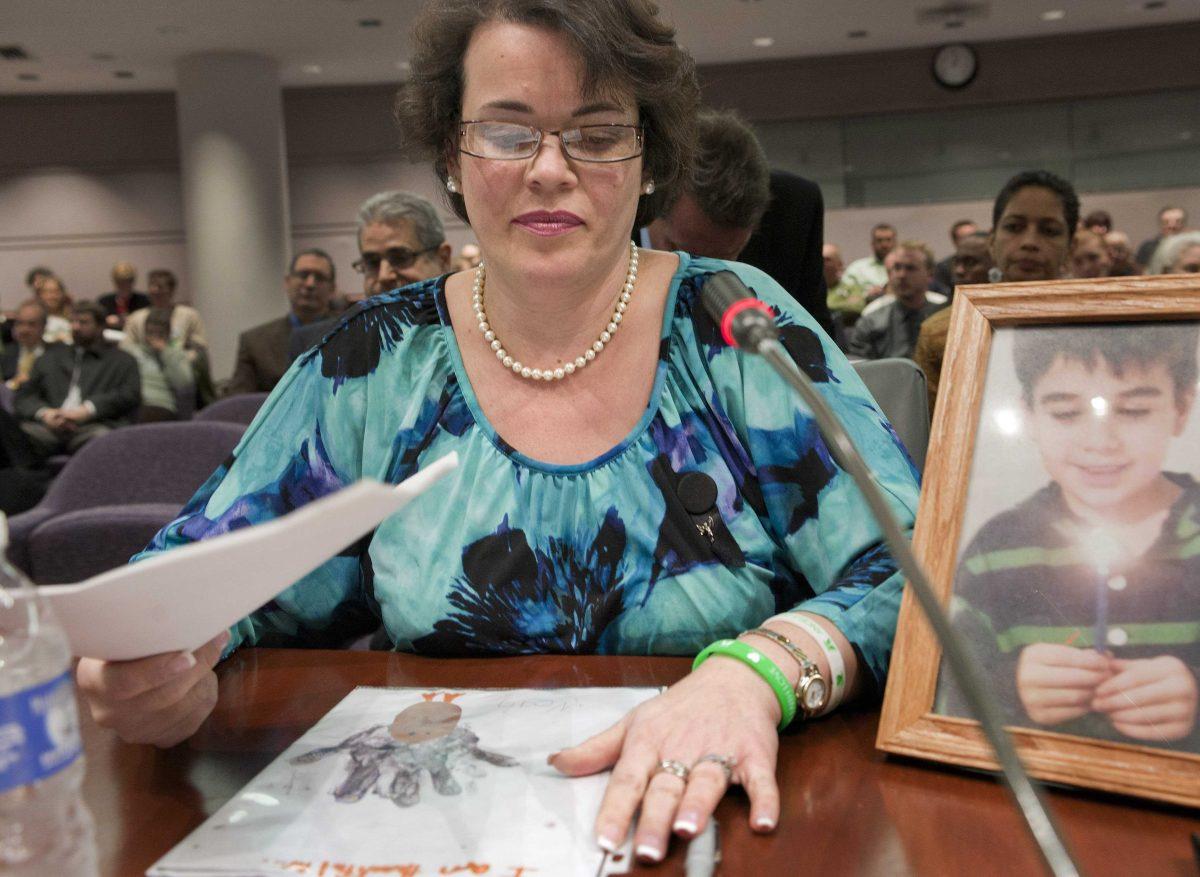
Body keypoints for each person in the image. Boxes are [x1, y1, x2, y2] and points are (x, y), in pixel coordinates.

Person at [75, 0, 920, 865]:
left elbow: (912, 569)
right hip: (427, 830)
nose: (551, 170)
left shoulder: (730, 324)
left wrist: (761, 670)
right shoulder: (379, 359)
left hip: (721, 820)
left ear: (648, 157)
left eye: (595, 134)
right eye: (508, 133)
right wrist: (163, 662)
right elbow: (206, 570)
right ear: (451, 152)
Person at [939, 323, 1200, 751]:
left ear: (1182, 407)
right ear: (1028, 415)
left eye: (1133, 411)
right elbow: (943, 702)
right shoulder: (997, 551)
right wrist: (1009, 689)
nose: (1100, 442)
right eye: (1065, 413)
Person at [642, 110, 833, 334]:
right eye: (683, 254)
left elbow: (817, 343)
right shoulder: (610, 223)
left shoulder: (792, 214)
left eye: (724, 258)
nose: (702, 276)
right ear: (650, 197)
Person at [913, 169, 1080, 411]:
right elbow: (930, 438)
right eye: (1014, 227)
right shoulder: (943, 334)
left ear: (1071, 247)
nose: (1029, 242)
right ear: (992, 241)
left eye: (1049, 231)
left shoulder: (1101, 330)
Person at [290, 191, 452, 359]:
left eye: (400, 257)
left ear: (442, 258)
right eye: (372, 262)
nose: (383, 275)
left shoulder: (472, 333)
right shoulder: (320, 345)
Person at [13, 301, 140, 459]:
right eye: (72, 322)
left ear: (100, 326)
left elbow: (129, 394)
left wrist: (88, 409)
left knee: (103, 438)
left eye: (83, 322)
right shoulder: (51, 356)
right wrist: (45, 413)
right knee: (14, 434)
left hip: (92, 426)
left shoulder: (122, 360)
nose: (76, 327)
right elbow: (24, 396)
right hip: (49, 427)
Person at [224, 249, 338, 395]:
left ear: (333, 289)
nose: (310, 284)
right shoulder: (254, 343)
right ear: (287, 282)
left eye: (320, 277)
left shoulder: (351, 334)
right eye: (303, 275)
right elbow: (238, 405)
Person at [911, 231, 993, 412]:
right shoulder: (934, 327)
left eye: (971, 263)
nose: (959, 270)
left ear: (995, 266)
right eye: (957, 262)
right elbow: (927, 408)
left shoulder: (1014, 320)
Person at [848, 241, 946, 360]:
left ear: (930, 274)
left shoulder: (944, 319)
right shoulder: (871, 322)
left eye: (910, 268)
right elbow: (859, 369)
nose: (901, 275)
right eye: (897, 267)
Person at [121, 307, 196, 422]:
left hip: (162, 405)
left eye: (160, 333)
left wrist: (165, 351)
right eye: (150, 332)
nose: (154, 337)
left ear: (168, 333)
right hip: (133, 403)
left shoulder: (176, 354)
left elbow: (184, 383)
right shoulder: (132, 351)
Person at [841, 223, 896, 303]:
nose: (884, 245)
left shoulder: (907, 269)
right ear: (872, 244)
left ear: (895, 243)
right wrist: (866, 294)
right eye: (879, 240)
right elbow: (844, 295)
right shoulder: (856, 268)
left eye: (888, 240)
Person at [2, 300, 47, 390]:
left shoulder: (55, 354)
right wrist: (12, 384)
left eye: (31, 324)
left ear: (43, 326)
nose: (24, 330)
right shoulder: (6, 354)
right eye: (20, 323)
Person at [97, 261, 151, 329]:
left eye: (127, 282)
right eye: (120, 282)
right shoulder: (103, 302)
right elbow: (97, 324)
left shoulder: (144, 301)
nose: (124, 286)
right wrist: (106, 321)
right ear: (115, 282)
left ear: (133, 282)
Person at [932, 219, 978, 293]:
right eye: (966, 238)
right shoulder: (944, 267)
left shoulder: (991, 261)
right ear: (955, 242)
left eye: (975, 236)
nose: (972, 241)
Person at [36, 275, 73, 345]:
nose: (52, 296)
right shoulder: (34, 319)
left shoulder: (73, 317)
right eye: (48, 292)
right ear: (40, 295)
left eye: (56, 292)